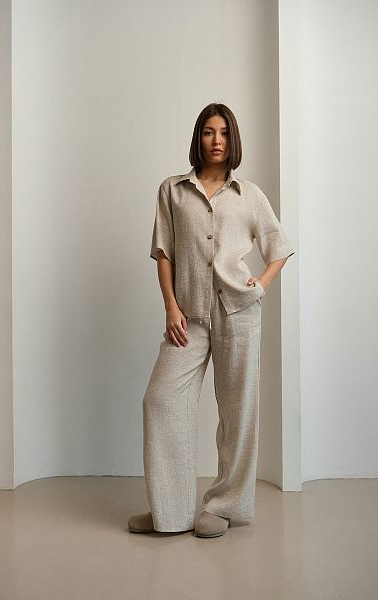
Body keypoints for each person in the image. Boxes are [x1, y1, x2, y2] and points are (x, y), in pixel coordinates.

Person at [127, 102, 295, 538]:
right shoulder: (172, 190)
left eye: (223, 132)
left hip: (238, 312)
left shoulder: (249, 194)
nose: (216, 140)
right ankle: (170, 511)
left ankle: (224, 506)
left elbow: (279, 247)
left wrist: (259, 284)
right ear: (198, 137)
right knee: (160, 401)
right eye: (207, 131)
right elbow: (163, 251)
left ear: (232, 139)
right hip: (189, 316)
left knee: (238, 412)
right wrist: (171, 307)